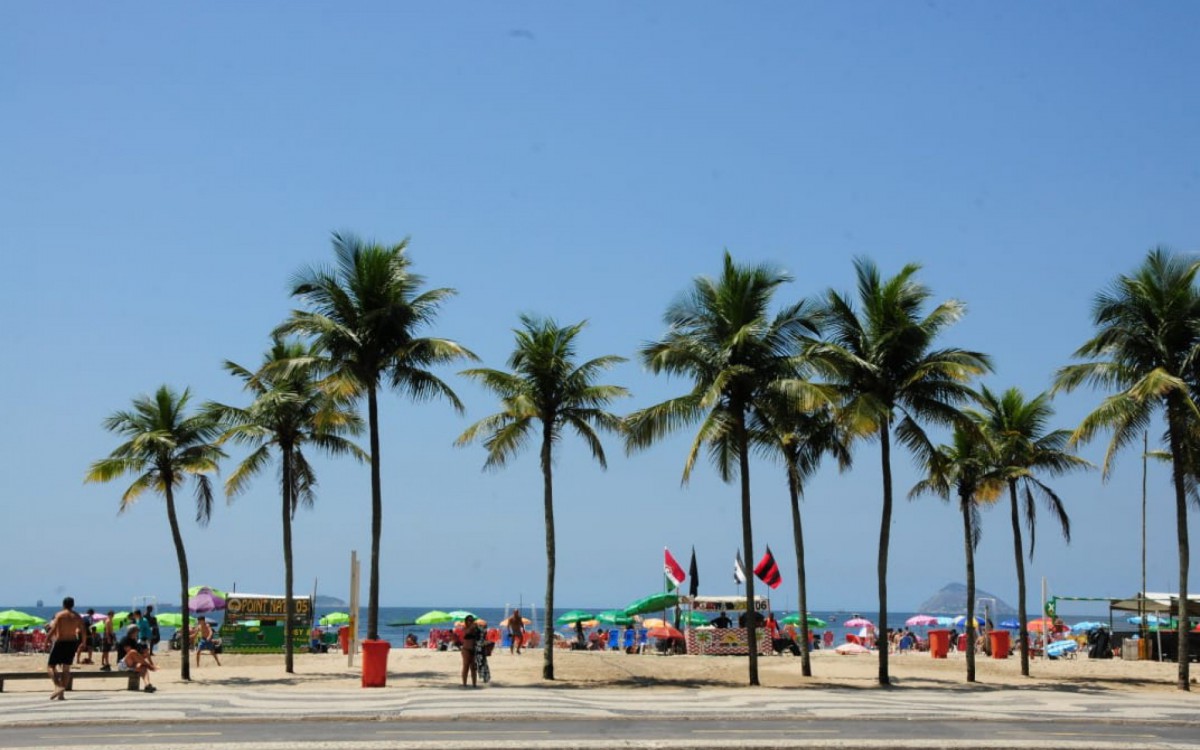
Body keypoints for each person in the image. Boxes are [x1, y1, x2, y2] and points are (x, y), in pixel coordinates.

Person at [46, 596, 85, 700]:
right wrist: (84, 642)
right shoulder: (77, 616)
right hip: (72, 642)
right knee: (66, 668)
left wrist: (46, 640)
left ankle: (58, 686)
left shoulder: (60, 615)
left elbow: (53, 629)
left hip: (61, 642)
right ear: (73, 605)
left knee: (50, 666)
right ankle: (61, 695)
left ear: (63, 604)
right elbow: (83, 630)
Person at [117, 625, 157, 692]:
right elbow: (131, 654)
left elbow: (140, 654)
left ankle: (147, 685)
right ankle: (149, 666)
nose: (137, 633)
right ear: (132, 632)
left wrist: (146, 655)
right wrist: (147, 664)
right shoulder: (125, 640)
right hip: (123, 664)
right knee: (132, 652)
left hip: (133, 664)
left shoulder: (134, 641)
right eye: (136, 632)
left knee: (143, 665)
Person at [460, 615, 483, 687]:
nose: (471, 622)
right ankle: (464, 683)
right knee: (466, 665)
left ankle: (474, 684)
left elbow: (481, 636)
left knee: (473, 667)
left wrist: (478, 629)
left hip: (474, 649)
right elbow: (466, 634)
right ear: (466, 621)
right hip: (466, 649)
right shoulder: (465, 628)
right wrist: (472, 627)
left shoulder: (475, 629)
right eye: (469, 620)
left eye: (472, 620)